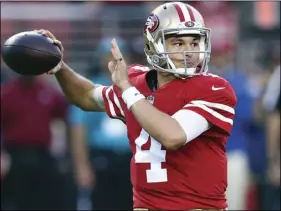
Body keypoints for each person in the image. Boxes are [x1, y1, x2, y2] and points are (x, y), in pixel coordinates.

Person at [37, 2, 237, 210]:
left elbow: (173, 136)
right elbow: (87, 96)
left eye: (194, 43)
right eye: (178, 43)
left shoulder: (214, 88)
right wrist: (60, 66)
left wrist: (127, 89)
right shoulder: (137, 82)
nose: (189, 52)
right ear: (154, 44)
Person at [69, 38, 132, 210]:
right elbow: (78, 128)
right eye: (108, 56)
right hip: (102, 159)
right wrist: (81, 165)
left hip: (132, 159)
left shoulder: (135, 85)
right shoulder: (90, 87)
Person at [1, 75, 69, 210]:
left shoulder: (48, 91)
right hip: (15, 156)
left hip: (42, 155)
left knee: (43, 200)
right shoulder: (7, 93)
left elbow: (64, 116)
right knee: (16, 201)